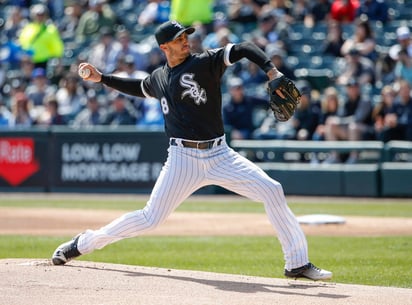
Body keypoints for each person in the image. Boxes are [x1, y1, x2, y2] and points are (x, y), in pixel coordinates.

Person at [51, 20, 332, 281]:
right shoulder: (160, 77)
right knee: (150, 218)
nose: (185, 40)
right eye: (177, 38)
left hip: (220, 154)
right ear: (164, 47)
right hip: (182, 159)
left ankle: (296, 263)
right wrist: (102, 78)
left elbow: (245, 48)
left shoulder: (206, 62)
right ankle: (82, 244)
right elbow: (139, 87)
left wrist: (272, 71)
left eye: (185, 36)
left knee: (272, 190)